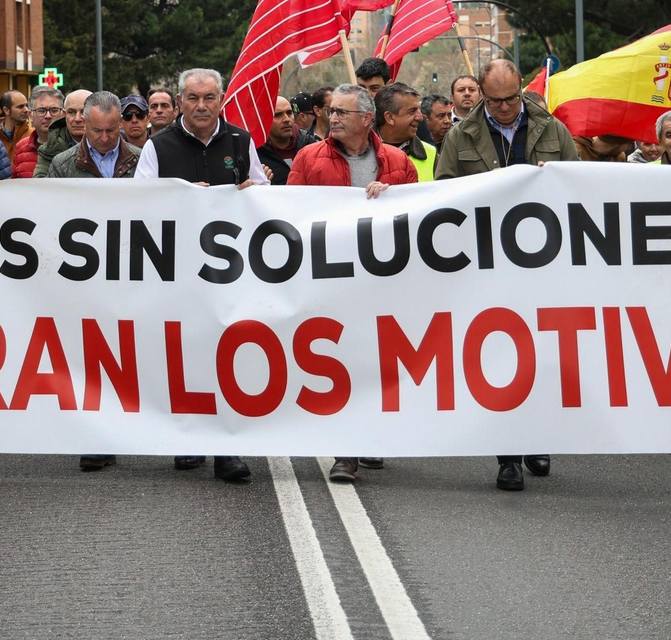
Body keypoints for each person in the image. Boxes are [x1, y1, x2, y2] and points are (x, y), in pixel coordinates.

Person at [436, 58, 577, 490]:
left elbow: (577, 187)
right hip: (487, 265)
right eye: (494, 100)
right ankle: (507, 457)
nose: (503, 108)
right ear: (480, 93)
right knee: (500, 356)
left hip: (543, 264)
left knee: (542, 354)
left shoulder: (552, 129)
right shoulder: (461, 136)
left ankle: (536, 437)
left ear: (521, 90)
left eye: (511, 99)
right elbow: (442, 194)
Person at [136, 68, 265, 483]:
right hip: (177, 267)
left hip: (230, 271)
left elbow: (265, 197)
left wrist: (249, 193)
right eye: (192, 98)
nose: (201, 106)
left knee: (229, 353)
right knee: (185, 353)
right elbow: (140, 203)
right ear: (179, 102)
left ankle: (228, 450)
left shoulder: (241, 141)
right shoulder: (158, 146)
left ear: (222, 99)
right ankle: (188, 438)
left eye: (209, 98)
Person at [288, 83, 416, 482]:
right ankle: (346, 451)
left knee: (376, 361)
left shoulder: (397, 161)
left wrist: (393, 196)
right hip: (331, 280)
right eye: (332, 112)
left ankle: (372, 436)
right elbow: (291, 212)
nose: (333, 118)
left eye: (342, 113)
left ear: (366, 118)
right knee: (340, 362)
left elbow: (419, 215)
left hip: (382, 282)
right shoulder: (309, 158)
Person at [44, 91, 143, 470]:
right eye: (98, 130)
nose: (104, 138)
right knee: (91, 355)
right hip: (84, 275)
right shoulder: (64, 164)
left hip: (132, 269)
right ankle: (97, 436)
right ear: (83, 123)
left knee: (134, 351)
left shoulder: (140, 161)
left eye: (112, 130)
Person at [374, 82, 435, 181]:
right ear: (389, 117)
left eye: (419, 110)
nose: (420, 117)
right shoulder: (357, 153)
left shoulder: (431, 153)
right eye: (412, 111)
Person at [257, 96, 318, 185]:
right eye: (277, 115)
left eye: (289, 113)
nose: (286, 119)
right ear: (264, 119)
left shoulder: (310, 144)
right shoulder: (254, 152)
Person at [33, 88, 91, 178]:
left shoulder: (111, 143)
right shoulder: (50, 148)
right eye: (71, 112)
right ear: (64, 114)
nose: (77, 119)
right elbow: (40, 185)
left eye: (84, 112)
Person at [13, 85, 63, 178]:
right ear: (30, 116)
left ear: (63, 114)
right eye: (41, 110)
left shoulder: (74, 146)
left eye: (54, 110)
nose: (48, 116)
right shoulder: (21, 148)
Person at [0, 89, 33, 166]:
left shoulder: (33, 135)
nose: (26, 110)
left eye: (26, 105)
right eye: (20, 107)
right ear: (6, 110)